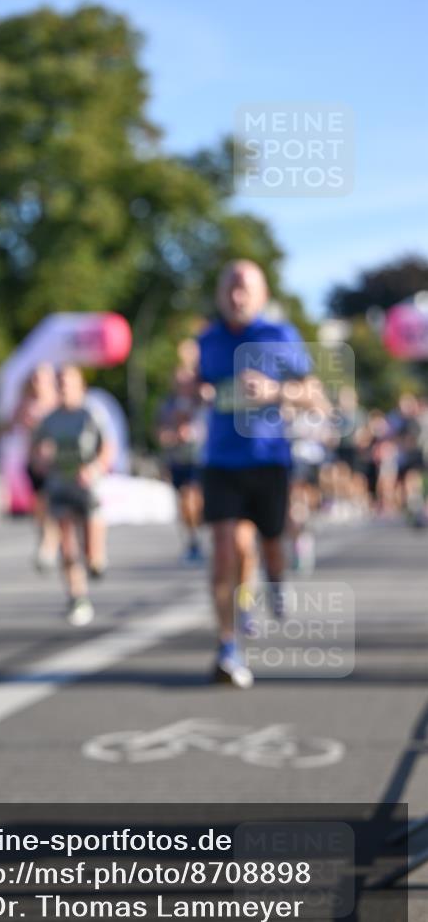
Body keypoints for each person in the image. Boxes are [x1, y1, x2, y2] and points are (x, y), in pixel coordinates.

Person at [198, 259, 329, 688]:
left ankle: (276, 581)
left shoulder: (280, 336)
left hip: (268, 459)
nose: (236, 296)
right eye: (230, 288)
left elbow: (316, 398)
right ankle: (227, 644)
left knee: (271, 544)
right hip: (220, 461)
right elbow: (193, 391)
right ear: (220, 294)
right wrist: (189, 401)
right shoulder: (207, 340)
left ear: (261, 294)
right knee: (226, 548)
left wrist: (275, 391)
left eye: (245, 288)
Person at [30, 365, 113, 626]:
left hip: (87, 487)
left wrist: (95, 468)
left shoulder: (91, 414)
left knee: (91, 556)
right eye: (60, 383)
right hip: (60, 486)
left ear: (80, 387)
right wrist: (41, 460)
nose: (63, 388)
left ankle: (96, 559)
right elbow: (34, 453)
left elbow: (108, 447)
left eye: (68, 383)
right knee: (67, 546)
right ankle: (77, 597)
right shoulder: (49, 419)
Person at [0, 363, 60, 568]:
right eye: (35, 378)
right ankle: (45, 538)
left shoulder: (57, 403)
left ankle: (50, 543)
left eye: (42, 378)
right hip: (33, 463)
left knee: (52, 503)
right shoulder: (25, 403)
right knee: (40, 505)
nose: (38, 383)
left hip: (55, 464)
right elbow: (6, 426)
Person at [156, 366, 207, 562]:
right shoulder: (167, 406)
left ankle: (198, 533)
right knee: (184, 503)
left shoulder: (201, 403)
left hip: (199, 458)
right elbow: (160, 433)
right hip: (177, 459)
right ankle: (193, 539)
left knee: (193, 497)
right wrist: (172, 436)